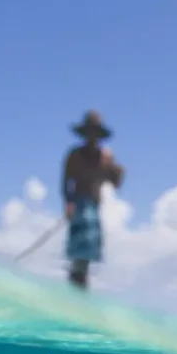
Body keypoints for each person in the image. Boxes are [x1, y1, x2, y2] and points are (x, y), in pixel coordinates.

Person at [62, 110, 124, 289]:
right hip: (79, 205)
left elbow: (117, 181)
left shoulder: (105, 157)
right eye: (89, 132)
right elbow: (66, 182)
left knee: (88, 252)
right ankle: (76, 282)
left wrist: (113, 165)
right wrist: (68, 203)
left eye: (95, 133)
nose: (92, 137)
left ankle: (80, 284)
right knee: (79, 251)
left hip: (94, 207)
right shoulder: (75, 155)